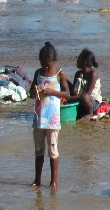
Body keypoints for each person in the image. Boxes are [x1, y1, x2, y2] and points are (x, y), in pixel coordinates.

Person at [31, 42, 69, 189]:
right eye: (43, 64)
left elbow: (67, 94)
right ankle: (37, 180)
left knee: (52, 150)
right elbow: (31, 92)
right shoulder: (38, 73)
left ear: (54, 61)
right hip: (39, 117)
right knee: (38, 150)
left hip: (52, 118)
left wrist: (53, 92)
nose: (46, 67)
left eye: (48, 65)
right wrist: (34, 91)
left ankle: (53, 182)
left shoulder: (60, 73)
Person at [68, 49, 101, 120]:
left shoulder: (93, 74)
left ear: (85, 62)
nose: (77, 61)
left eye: (79, 59)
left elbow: (88, 94)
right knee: (65, 81)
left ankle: (90, 113)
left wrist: (70, 98)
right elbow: (74, 91)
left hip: (91, 102)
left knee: (84, 96)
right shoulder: (78, 74)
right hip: (80, 99)